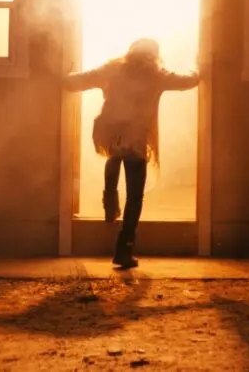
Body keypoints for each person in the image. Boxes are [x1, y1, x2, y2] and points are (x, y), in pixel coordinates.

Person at [64, 38, 200, 269]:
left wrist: (63, 70)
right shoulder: (157, 75)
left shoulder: (113, 68)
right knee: (135, 197)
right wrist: (200, 65)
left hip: (109, 132)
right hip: (135, 139)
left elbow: (75, 82)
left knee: (114, 154)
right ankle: (124, 250)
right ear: (154, 55)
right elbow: (188, 81)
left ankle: (109, 198)